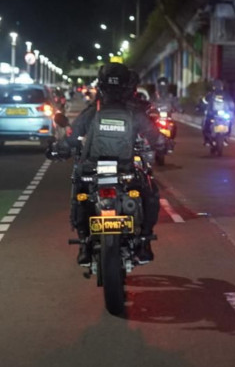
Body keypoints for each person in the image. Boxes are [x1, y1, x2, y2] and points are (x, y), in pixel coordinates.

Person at [47, 63, 167, 266]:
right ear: (127, 86)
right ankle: (144, 242)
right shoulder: (133, 113)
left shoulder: (93, 112)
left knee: (80, 192)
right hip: (125, 170)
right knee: (150, 192)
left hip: (92, 170)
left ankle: (85, 245)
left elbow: (72, 138)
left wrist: (58, 149)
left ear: (100, 86)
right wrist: (164, 144)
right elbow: (156, 138)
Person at [200, 79, 235, 146]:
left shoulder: (212, 94)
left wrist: (232, 110)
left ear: (213, 87)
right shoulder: (224, 95)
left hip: (220, 114)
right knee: (206, 123)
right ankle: (209, 139)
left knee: (229, 122)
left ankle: (224, 138)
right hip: (213, 114)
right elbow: (204, 102)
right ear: (222, 87)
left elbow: (231, 104)